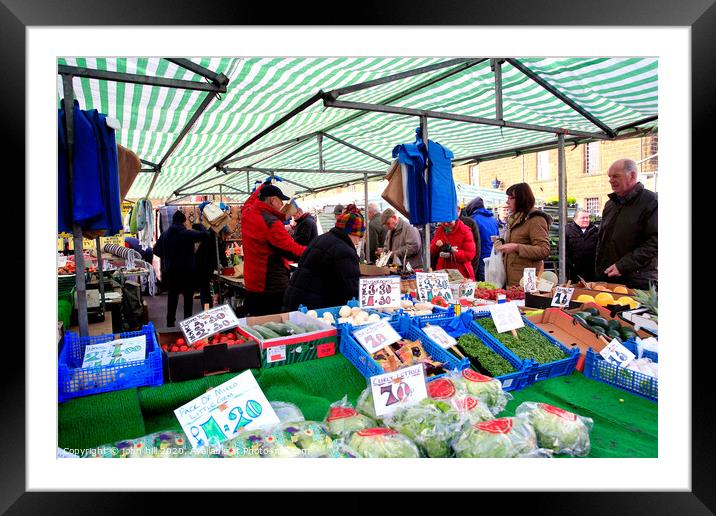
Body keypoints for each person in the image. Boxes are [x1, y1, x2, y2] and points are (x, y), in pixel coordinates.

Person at [241, 182, 306, 316]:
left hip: (252, 283)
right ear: (273, 200)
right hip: (270, 287)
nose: (283, 205)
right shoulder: (271, 222)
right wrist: (315, 250)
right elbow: (291, 250)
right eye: (281, 201)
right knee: (273, 327)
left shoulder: (247, 213)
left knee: (255, 326)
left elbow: (249, 202)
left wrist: (263, 185)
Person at [283, 205, 365, 310]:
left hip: (295, 303)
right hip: (311, 310)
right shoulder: (344, 251)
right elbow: (352, 290)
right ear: (352, 233)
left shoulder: (322, 239)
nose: (358, 241)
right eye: (359, 237)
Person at [595, 159, 658, 289]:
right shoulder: (610, 204)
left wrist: (622, 266)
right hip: (607, 278)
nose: (611, 180)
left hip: (637, 282)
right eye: (609, 176)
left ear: (633, 176)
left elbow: (656, 242)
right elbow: (602, 240)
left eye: (616, 176)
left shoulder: (652, 201)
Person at [153, 210, 208, 327]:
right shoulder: (187, 234)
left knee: (172, 297)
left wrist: (168, 257)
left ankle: (170, 322)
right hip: (187, 272)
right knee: (188, 298)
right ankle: (187, 323)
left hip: (171, 271)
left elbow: (156, 250)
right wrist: (199, 226)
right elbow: (205, 236)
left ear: (173, 220)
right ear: (183, 221)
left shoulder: (165, 234)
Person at [494, 183, 552, 287]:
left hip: (526, 282)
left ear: (521, 198)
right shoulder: (515, 218)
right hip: (511, 280)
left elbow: (544, 250)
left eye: (510, 198)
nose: (507, 201)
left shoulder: (536, 219)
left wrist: (516, 247)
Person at [192, 220, 229, 310]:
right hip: (202, 267)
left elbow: (220, 254)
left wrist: (224, 265)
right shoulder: (212, 238)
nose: (227, 237)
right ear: (222, 233)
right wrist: (223, 265)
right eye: (226, 235)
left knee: (205, 290)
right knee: (205, 291)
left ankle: (207, 309)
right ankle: (207, 311)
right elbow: (216, 254)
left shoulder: (215, 238)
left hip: (205, 266)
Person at [429, 212, 477, 280]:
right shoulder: (440, 230)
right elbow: (430, 251)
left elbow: (470, 254)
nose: (446, 224)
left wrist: (452, 254)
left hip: (461, 273)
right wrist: (436, 245)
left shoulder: (465, 231)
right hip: (442, 272)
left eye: (449, 221)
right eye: (443, 221)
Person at [464, 196, 500, 282]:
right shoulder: (493, 220)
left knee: (481, 286)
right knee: (491, 285)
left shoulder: (473, 220)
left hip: (480, 257)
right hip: (493, 257)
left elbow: (472, 242)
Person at [565, 209, 599, 283]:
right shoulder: (567, 230)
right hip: (573, 270)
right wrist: (570, 264)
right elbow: (563, 249)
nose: (586, 220)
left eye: (587, 217)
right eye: (583, 218)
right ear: (575, 219)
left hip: (591, 270)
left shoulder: (595, 230)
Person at [458, 208, 481, 281]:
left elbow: (477, 249)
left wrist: (473, 270)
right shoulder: (443, 224)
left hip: (466, 271)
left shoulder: (469, 222)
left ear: (459, 210)